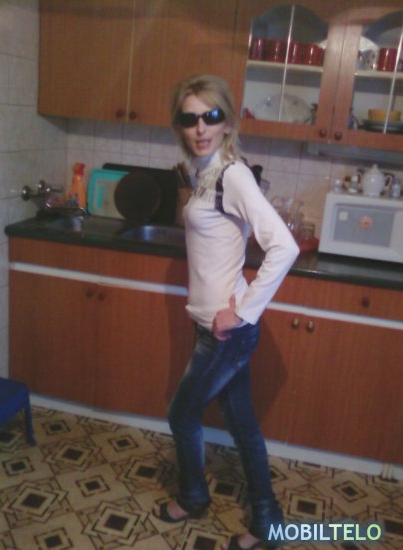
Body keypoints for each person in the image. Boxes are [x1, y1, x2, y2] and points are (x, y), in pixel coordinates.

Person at [152, 74, 299, 550]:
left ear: (228, 122)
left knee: (181, 415)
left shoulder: (232, 175)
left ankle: (194, 497)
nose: (200, 127)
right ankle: (267, 520)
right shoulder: (203, 172)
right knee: (242, 427)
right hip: (211, 327)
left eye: (211, 116)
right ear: (180, 124)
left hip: (224, 332)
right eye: (190, 117)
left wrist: (243, 312)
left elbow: (285, 246)